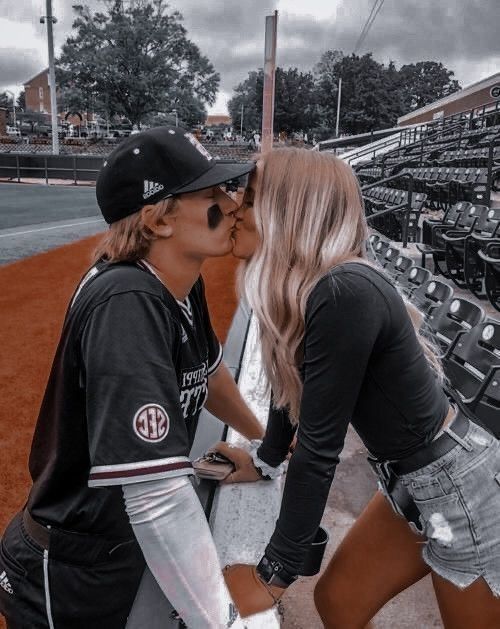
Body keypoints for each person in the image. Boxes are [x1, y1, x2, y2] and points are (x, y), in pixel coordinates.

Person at [215, 148, 500, 628]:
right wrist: (265, 458)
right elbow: (294, 396)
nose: (234, 210)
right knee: (338, 603)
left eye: (250, 199)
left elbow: (320, 448)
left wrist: (275, 572)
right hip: (415, 481)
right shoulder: (315, 287)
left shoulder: (343, 289)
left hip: (462, 490)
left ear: (290, 210)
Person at [0, 126, 265, 629]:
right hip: (71, 569)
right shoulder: (128, 301)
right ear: (158, 219)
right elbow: (156, 496)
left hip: (109, 550)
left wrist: (263, 440)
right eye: (211, 194)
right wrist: (221, 621)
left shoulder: (177, 282)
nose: (232, 204)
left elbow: (207, 374)